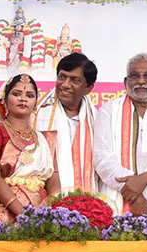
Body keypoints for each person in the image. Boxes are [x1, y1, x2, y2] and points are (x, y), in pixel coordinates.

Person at [93, 53, 147, 214]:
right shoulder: (108, 111)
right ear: (126, 82)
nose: (141, 81)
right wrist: (136, 195)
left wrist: (143, 179)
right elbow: (102, 158)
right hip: (115, 196)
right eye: (135, 75)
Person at [0, 74, 60, 221]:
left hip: (40, 215)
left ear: (36, 103)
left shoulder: (46, 139)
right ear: (4, 100)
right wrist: (24, 215)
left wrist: (52, 215)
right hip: (4, 211)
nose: (23, 99)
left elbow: (53, 183)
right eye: (16, 94)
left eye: (29, 95)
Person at [35, 52, 99, 191]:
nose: (65, 85)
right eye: (62, 77)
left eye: (74, 80)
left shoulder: (99, 120)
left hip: (87, 201)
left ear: (88, 88)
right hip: (44, 200)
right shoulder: (35, 114)